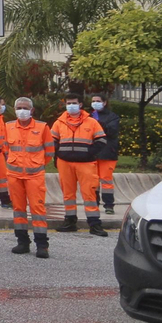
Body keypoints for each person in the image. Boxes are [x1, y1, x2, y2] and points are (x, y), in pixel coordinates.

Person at [5, 96, 55, 258]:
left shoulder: (42, 127)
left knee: (37, 210)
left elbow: (49, 153)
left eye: (25, 108)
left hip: (35, 176)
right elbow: (6, 150)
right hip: (14, 175)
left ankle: (42, 245)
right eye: (19, 107)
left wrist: (36, 164)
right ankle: (22, 242)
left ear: (32, 110)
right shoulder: (8, 127)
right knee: (18, 210)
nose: (22, 110)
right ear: (14, 109)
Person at [52, 93, 108, 237]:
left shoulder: (91, 122)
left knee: (89, 193)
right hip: (64, 163)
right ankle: (70, 222)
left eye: (74, 103)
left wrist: (90, 153)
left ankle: (95, 224)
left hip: (86, 163)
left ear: (80, 105)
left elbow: (101, 141)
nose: (71, 106)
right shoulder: (59, 122)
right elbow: (52, 141)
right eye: (68, 103)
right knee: (68, 194)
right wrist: (57, 155)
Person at [90, 92, 122, 214]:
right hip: (93, 152)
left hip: (108, 152)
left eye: (98, 101)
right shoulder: (89, 116)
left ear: (104, 102)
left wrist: (98, 123)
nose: (95, 103)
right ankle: (95, 203)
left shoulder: (112, 117)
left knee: (106, 180)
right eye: (93, 101)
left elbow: (112, 131)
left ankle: (109, 205)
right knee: (93, 181)